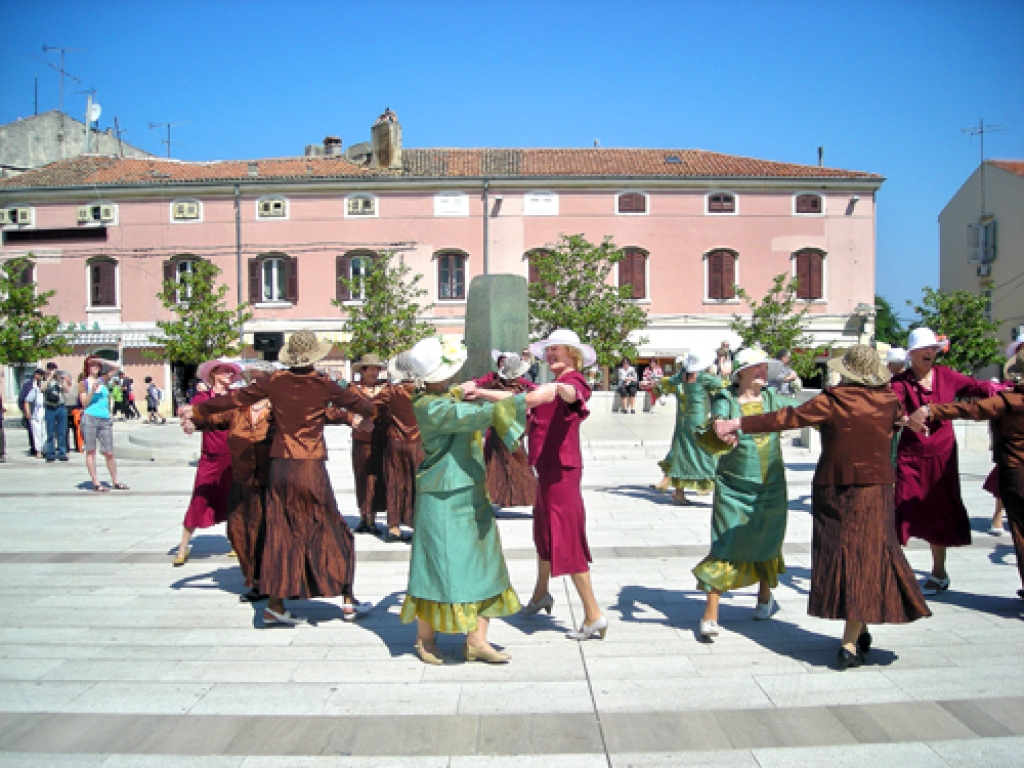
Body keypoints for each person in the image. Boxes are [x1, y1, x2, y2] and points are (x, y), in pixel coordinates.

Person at [717, 345, 931, 669]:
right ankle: (860, 628)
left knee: (845, 559)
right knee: (868, 557)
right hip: (876, 490)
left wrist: (738, 423)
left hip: (835, 490)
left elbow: (787, 418)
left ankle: (849, 643)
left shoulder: (833, 400)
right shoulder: (889, 400)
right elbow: (891, 423)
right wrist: (905, 422)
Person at [181, 330, 375, 625]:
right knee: (332, 528)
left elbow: (233, 399)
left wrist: (196, 408)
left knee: (282, 532)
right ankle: (348, 601)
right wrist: (360, 410)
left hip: (280, 466)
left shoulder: (275, 382)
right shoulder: (323, 384)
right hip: (309, 466)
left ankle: (275, 606)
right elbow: (366, 407)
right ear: (314, 357)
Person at [399, 336, 555, 665]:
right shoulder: (430, 405)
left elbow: (461, 396)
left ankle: (476, 641)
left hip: (470, 490)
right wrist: (529, 399)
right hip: (442, 497)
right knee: (435, 567)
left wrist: (473, 390)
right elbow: (482, 414)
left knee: (485, 563)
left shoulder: (443, 395)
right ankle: (425, 638)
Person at [692, 347, 800, 640]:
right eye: (757, 367)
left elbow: (802, 412)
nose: (763, 371)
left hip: (771, 485)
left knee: (768, 539)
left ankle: (764, 597)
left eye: (765, 367)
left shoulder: (772, 398)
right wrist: (719, 426)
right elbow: (718, 419)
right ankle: (711, 613)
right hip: (734, 487)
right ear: (741, 373)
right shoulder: (726, 399)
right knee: (726, 543)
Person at [909, 347, 1024, 598]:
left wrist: (931, 410)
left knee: (1022, 532)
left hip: (1017, 474)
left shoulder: (1008, 401)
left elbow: (970, 409)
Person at [890, 328, 996, 596]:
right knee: (901, 508)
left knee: (940, 511)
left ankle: (939, 574)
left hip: (943, 455)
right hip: (911, 456)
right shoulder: (900, 382)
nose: (930, 353)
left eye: (933, 349)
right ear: (912, 353)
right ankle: (894, 572)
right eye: (924, 349)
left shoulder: (947, 375)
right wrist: (906, 421)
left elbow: (979, 387)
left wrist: (1006, 389)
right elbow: (890, 412)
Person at [518, 329, 608, 641]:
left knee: (565, 537)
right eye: (549, 349)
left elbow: (574, 394)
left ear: (573, 354)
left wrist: (559, 389)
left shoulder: (573, 381)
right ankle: (540, 593)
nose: (551, 354)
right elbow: (526, 399)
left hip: (562, 472)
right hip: (546, 470)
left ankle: (593, 614)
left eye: (557, 349)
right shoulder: (548, 385)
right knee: (544, 531)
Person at [184, 363, 276, 602]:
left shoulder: (279, 408)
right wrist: (195, 422)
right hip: (242, 481)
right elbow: (214, 419)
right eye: (250, 379)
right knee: (238, 530)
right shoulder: (238, 407)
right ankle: (255, 579)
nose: (254, 383)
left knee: (267, 532)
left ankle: (270, 581)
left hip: (271, 483)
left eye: (259, 379)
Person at [172, 360, 241, 567]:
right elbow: (191, 417)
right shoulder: (203, 398)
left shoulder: (235, 396)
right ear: (214, 374)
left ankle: (236, 543)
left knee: (234, 500)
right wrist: (188, 423)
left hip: (233, 455)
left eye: (231, 372)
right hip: (210, 456)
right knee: (199, 498)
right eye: (225, 371)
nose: (229, 375)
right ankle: (183, 546)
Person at [655, 349, 722, 505]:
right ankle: (715, 488)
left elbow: (666, 384)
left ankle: (679, 493)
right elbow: (725, 386)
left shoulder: (683, 375)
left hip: (683, 419)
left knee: (682, 453)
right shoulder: (704, 377)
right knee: (708, 452)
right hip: (698, 418)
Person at [472, 351, 537, 509]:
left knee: (500, 462)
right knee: (515, 461)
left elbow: (476, 386)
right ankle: (520, 496)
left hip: (500, 428)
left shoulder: (496, 384)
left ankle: (502, 497)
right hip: (512, 428)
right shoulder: (522, 386)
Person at [346, 353, 390, 538]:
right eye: (370, 369)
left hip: (381, 439)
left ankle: (373, 518)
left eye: (376, 369)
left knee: (378, 479)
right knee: (362, 478)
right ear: (362, 371)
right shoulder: (353, 389)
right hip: (361, 440)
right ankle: (363, 517)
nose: (374, 372)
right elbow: (345, 409)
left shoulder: (386, 388)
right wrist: (352, 419)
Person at [382, 353, 425, 542]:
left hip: (395, 442)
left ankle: (393, 527)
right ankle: (416, 524)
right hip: (418, 443)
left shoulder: (390, 391)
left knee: (394, 481)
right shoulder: (423, 393)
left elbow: (371, 407)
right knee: (417, 484)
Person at [79, 357, 127, 492]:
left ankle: (115, 481)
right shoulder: (83, 383)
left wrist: (102, 360)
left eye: (97, 365)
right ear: (87, 368)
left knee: (109, 452)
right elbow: (84, 403)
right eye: (91, 365)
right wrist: (92, 391)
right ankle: (96, 483)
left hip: (105, 418)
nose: (94, 367)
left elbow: (117, 367)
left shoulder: (103, 379)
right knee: (90, 451)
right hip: (90, 417)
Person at [41, 367, 70, 462]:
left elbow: (67, 390)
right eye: (50, 370)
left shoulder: (60, 381)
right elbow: (42, 389)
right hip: (50, 408)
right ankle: (50, 453)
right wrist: (49, 377)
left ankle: (62, 453)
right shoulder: (45, 381)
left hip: (60, 407)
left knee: (62, 432)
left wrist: (61, 379)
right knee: (50, 433)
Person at [22, 369, 46, 458]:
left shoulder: (47, 392)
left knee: (45, 433)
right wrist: (28, 412)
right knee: (37, 433)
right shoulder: (35, 390)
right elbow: (26, 401)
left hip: (46, 413)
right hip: (36, 414)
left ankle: (45, 449)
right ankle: (38, 451)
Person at [18, 371, 42, 457]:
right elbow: (22, 399)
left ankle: (42, 448)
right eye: (39, 374)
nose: (40, 376)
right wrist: (25, 411)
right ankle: (34, 448)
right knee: (32, 431)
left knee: (43, 432)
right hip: (31, 412)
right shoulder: (27, 385)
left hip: (42, 412)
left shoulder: (43, 385)